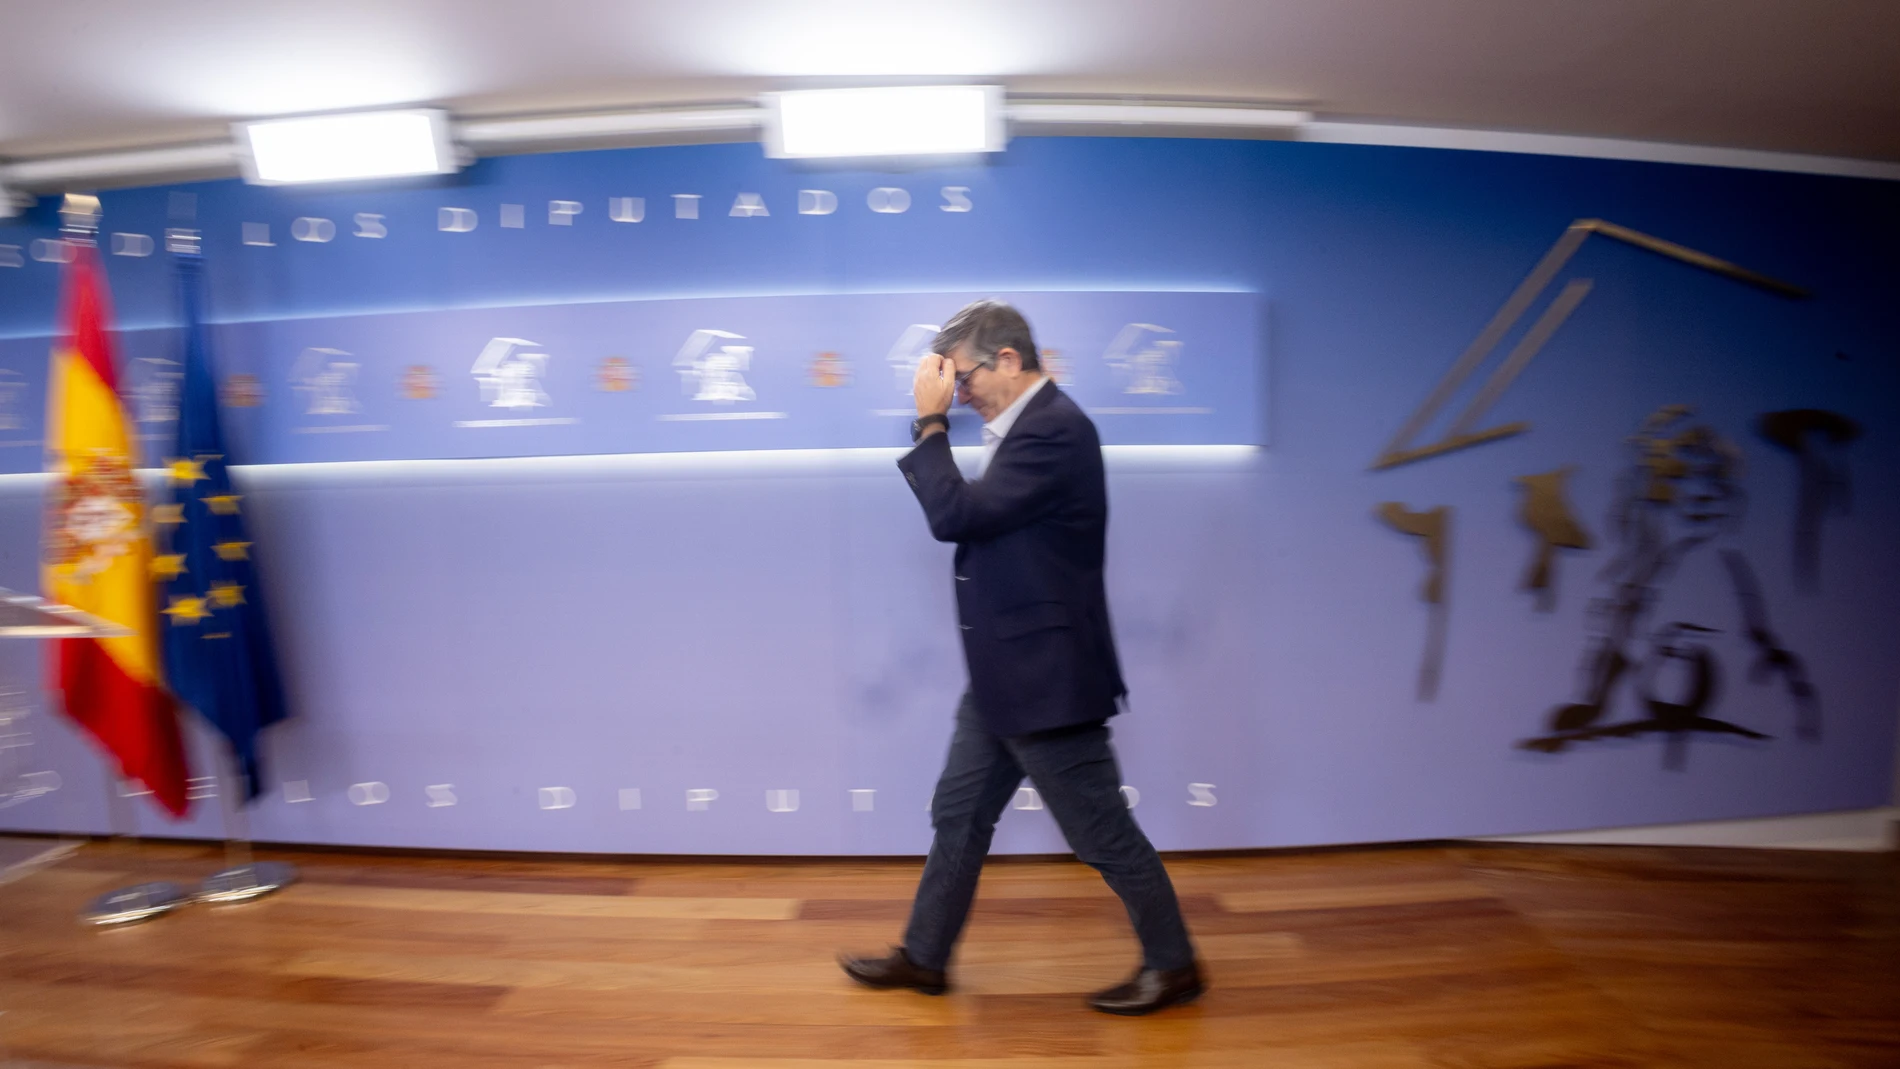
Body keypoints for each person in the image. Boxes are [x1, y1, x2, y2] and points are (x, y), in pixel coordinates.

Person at [838, 300, 1203, 1016]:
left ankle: (1176, 965)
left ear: (1008, 359)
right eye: (951, 385)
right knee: (958, 812)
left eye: (965, 378)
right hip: (1006, 674)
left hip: (1048, 679)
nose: (960, 392)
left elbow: (959, 518)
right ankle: (925, 956)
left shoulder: (1057, 430)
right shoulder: (1024, 429)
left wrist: (930, 422)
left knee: (1100, 832)